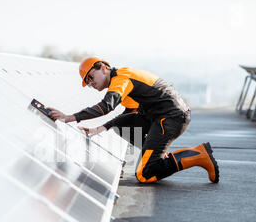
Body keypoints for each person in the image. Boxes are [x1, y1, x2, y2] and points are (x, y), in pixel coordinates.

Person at [48, 57, 219, 184]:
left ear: (102, 68)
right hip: (158, 116)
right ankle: (157, 156)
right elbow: (129, 115)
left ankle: (199, 155)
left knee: (145, 174)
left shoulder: (121, 79)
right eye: (88, 82)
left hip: (171, 117)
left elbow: (106, 106)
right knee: (120, 126)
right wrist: (100, 128)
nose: (91, 84)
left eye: (91, 78)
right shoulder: (122, 79)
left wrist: (69, 118)